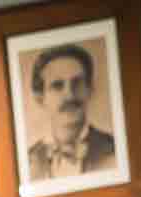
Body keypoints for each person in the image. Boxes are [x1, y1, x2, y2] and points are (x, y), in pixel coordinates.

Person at [27, 44, 118, 179]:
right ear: (40, 98)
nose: (69, 95)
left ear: (90, 89)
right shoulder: (27, 162)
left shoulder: (116, 150)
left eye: (78, 83)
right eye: (57, 85)